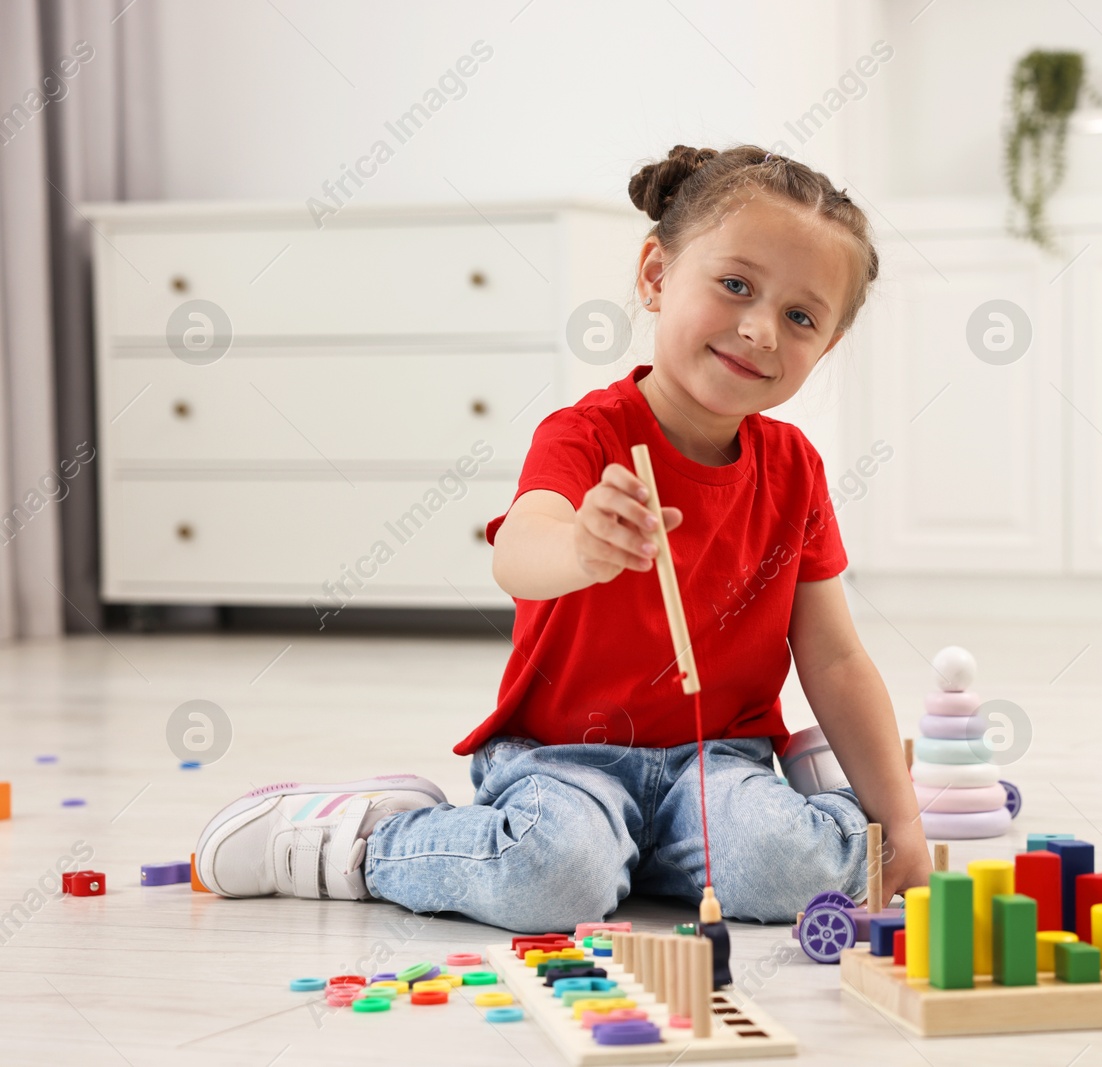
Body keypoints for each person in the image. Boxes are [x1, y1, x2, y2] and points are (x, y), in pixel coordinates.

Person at [193, 144, 931, 930]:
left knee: (790, 870)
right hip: (564, 757)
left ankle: (830, 810)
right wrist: (581, 547)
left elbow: (835, 656)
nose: (758, 330)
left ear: (828, 344)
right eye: (736, 285)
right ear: (656, 276)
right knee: (550, 880)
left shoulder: (795, 470)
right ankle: (362, 840)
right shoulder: (586, 435)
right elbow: (519, 553)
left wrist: (907, 825)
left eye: (800, 316)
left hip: (718, 761)